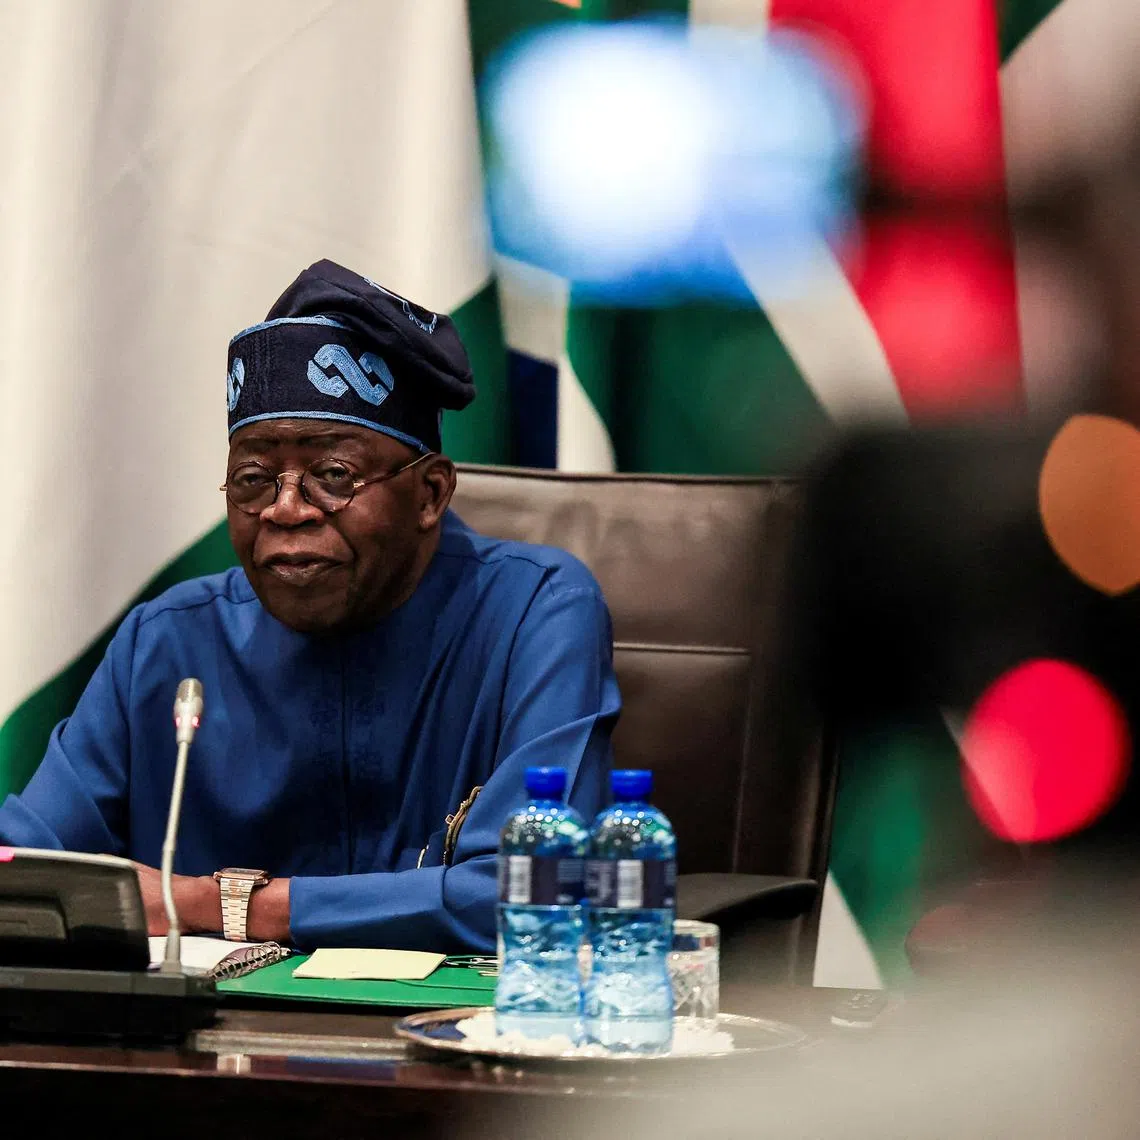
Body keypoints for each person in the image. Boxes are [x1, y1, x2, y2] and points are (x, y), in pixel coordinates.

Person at [0, 260, 619, 953]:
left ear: (430, 495)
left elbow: (534, 890)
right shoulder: (167, 643)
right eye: (253, 480)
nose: (286, 510)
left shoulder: (535, 612)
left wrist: (219, 903)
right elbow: (21, 873)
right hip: (201, 1051)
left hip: (453, 1042)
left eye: (332, 476)